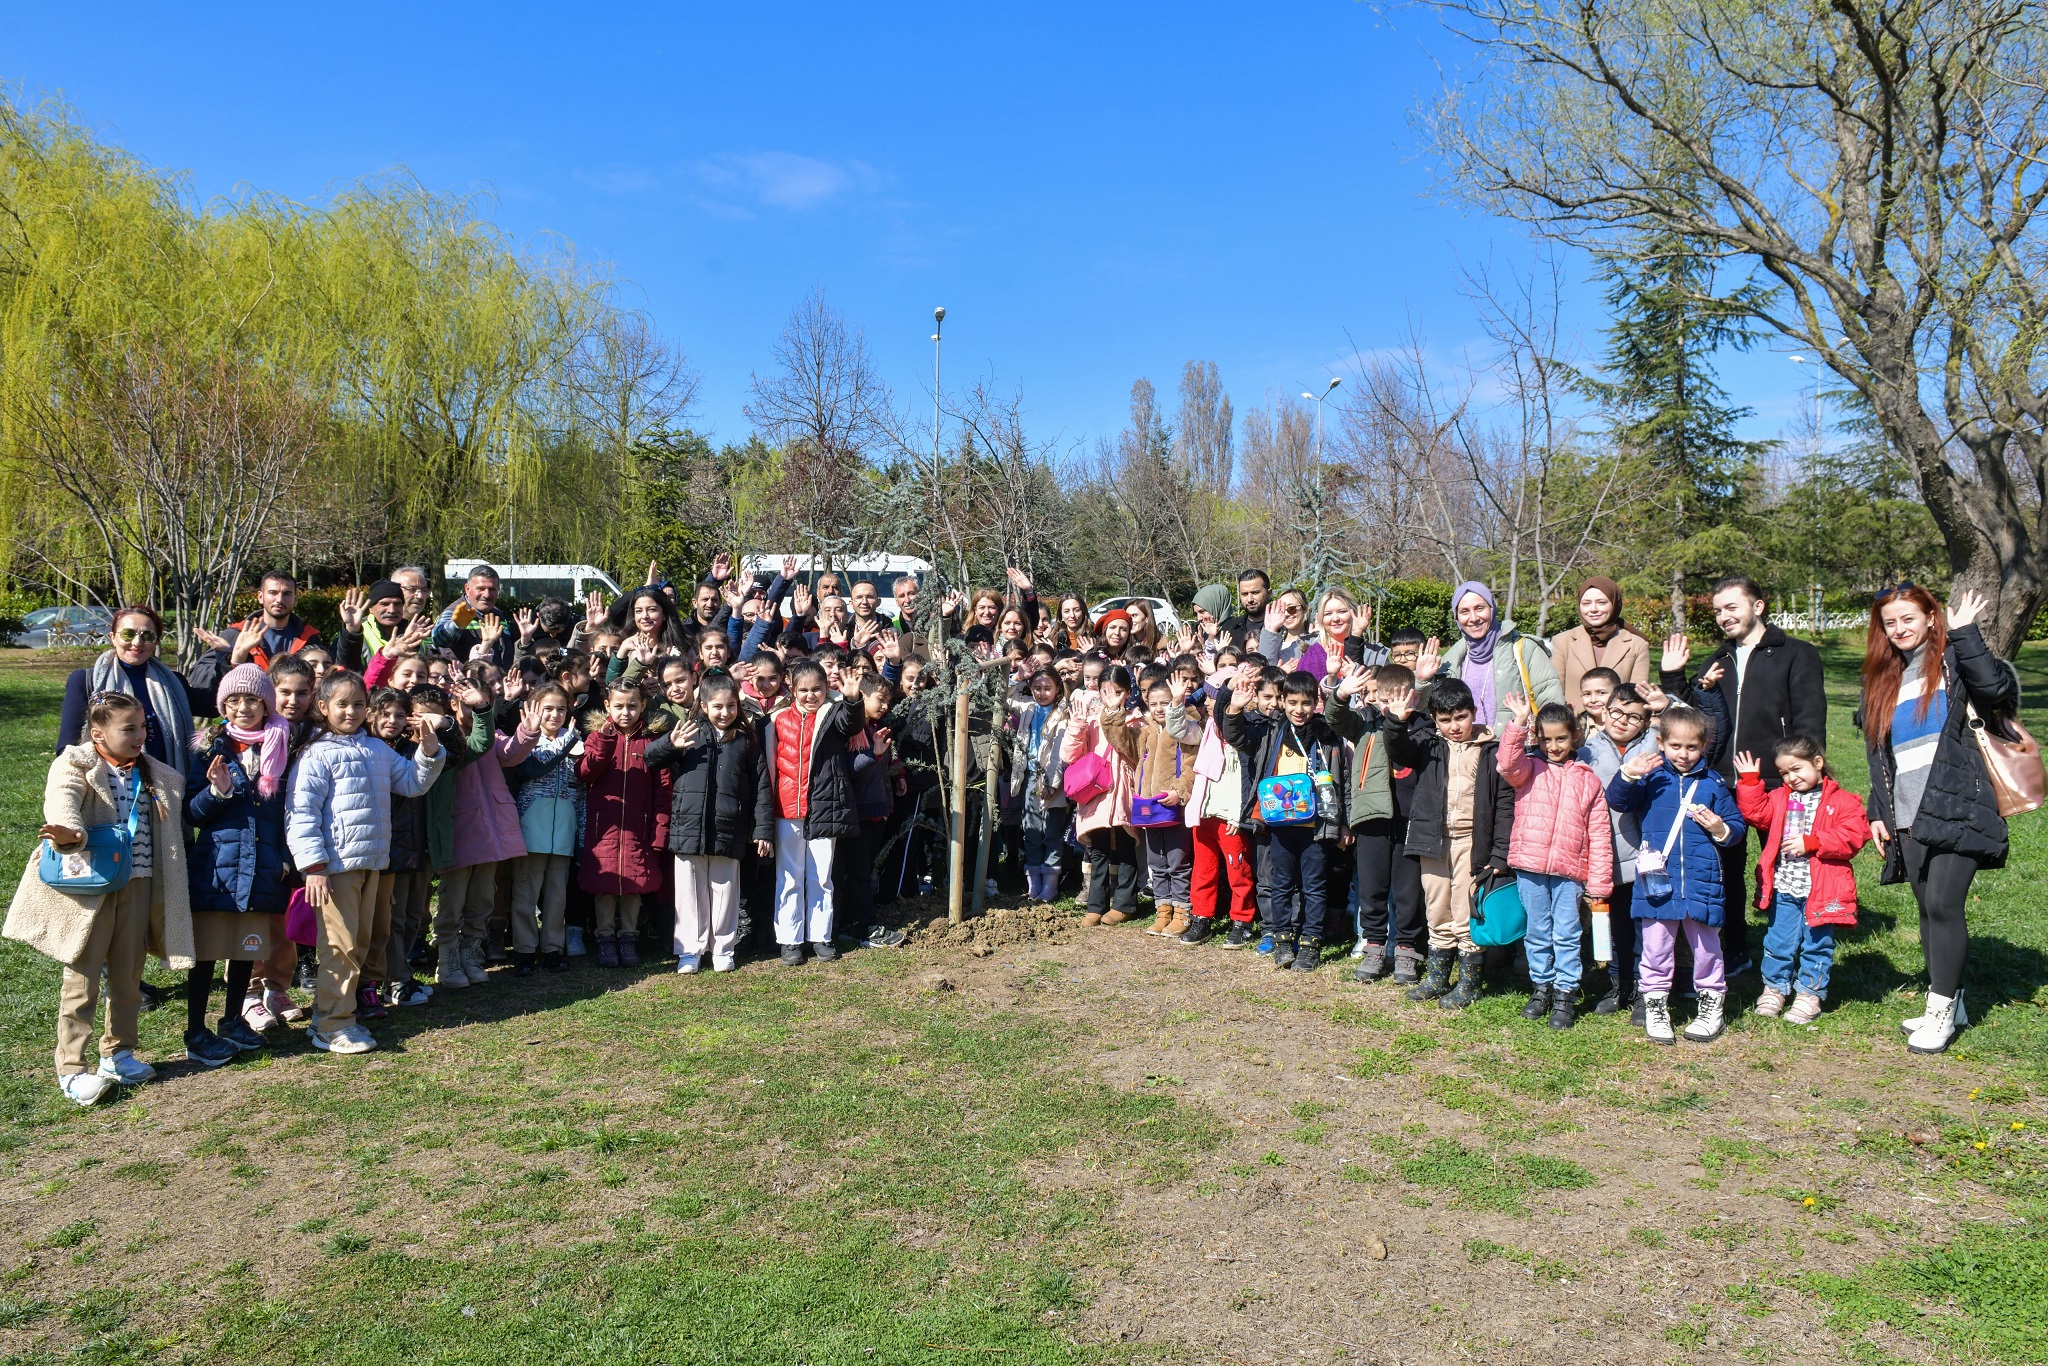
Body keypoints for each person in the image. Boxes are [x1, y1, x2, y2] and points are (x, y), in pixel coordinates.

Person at [7, 691, 195, 1105]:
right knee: (83, 975)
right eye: (128, 729)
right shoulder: (76, 763)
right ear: (98, 733)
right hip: (90, 885)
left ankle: (119, 1052)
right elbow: (64, 801)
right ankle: (72, 1068)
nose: (139, 736)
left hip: (139, 881)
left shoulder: (153, 773)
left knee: (128, 974)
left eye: (143, 727)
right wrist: (71, 833)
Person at [1861, 585, 2015, 1054]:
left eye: (1909, 618)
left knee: (1945, 905)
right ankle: (1953, 1000)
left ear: (1931, 617)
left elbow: (1995, 689)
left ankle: (1940, 1011)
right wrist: (1877, 812)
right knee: (1928, 909)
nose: (1900, 629)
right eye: (1891, 622)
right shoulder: (1886, 678)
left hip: (1959, 802)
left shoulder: (1952, 660)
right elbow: (1880, 755)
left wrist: (1966, 632)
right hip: (1907, 810)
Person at [1658, 576, 1826, 975]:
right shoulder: (1719, 658)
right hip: (1721, 783)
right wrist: (1672, 677)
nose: (1723, 616)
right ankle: (1734, 948)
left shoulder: (1797, 654)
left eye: (1732, 607)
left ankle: (1786, 949)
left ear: (1758, 606)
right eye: (1717, 610)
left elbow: (1810, 721)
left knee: (1786, 869)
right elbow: (1691, 715)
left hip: (1775, 782)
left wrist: (1802, 774)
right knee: (1724, 870)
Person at [284, 671, 445, 1054]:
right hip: (335, 868)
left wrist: (428, 750)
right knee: (338, 946)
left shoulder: (376, 749)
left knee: (359, 942)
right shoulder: (316, 754)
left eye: (358, 704)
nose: (352, 711)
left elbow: (412, 783)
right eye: (342, 704)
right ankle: (331, 1024)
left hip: (373, 861)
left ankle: (343, 1013)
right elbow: (300, 812)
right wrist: (314, 867)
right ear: (323, 707)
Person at [1606, 705, 1747, 1046]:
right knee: (1655, 948)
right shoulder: (1651, 778)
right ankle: (1655, 1007)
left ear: (1704, 746)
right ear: (1661, 743)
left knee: (1707, 948)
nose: (1683, 754)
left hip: (1702, 881)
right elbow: (1618, 800)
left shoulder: (1713, 784)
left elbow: (1738, 829)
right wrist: (1628, 773)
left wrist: (1720, 828)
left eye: (1692, 747)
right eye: (1676, 746)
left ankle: (1711, 1006)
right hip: (1657, 882)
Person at [181, 664, 294, 1067]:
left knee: (247, 947)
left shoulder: (279, 745)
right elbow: (193, 813)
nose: (243, 708)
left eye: (252, 700)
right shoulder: (209, 747)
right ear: (222, 706)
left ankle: (232, 1019)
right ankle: (195, 1030)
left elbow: (284, 810)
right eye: (234, 701)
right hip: (218, 866)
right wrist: (217, 792)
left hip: (262, 865)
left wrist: (284, 856)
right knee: (208, 951)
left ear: (266, 704)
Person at [1382, 677, 1515, 1009]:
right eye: (1445, 719)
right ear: (1435, 719)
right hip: (1434, 842)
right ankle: (1437, 978)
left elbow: (1504, 807)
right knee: (1437, 909)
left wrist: (1499, 853)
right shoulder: (1428, 745)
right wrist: (1395, 722)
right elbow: (1397, 748)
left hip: (1473, 845)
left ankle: (1469, 983)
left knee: (1465, 912)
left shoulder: (1492, 751)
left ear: (1474, 712)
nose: (1455, 726)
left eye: (1461, 717)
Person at [1218, 669, 1349, 973]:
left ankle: (1310, 945)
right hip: (1278, 825)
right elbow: (1236, 736)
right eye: (1292, 702)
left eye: (1305, 703)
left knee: (1314, 887)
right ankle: (1281, 943)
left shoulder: (1327, 738)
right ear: (1283, 701)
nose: (1298, 710)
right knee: (1281, 885)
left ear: (1316, 703)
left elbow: (1341, 780)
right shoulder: (1271, 732)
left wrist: (1344, 823)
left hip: (1316, 827)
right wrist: (1234, 708)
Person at [1496, 695, 1615, 1030]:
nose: (1553, 746)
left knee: (1566, 932)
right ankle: (1542, 987)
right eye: (1546, 739)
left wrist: (1599, 884)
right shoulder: (1529, 768)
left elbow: (1600, 835)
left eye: (1560, 738)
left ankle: (1565, 993)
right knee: (1536, 931)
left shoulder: (1588, 779)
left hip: (1570, 872)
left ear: (1574, 735)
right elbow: (1506, 763)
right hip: (1531, 866)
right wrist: (1519, 723)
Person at [1734, 737, 1870, 1025]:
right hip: (1785, 886)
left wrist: (1814, 842)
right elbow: (1756, 814)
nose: (1791, 777)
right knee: (1778, 941)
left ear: (1817, 763)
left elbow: (1854, 836)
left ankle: (1810, 993)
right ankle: (1774, 988)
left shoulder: (1843, 801)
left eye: (1797, 769)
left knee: (1817, 945)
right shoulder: (1780, 798)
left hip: (1822, 892)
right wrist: (1749, 781)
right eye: (1784, 773)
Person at [649, 672, 775, 973]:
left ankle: (722, 948)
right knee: (689, 891)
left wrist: (762, 829)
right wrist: (671, 744)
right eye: (718, 706)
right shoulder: (687, 734)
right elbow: (649, 758)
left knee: (725, 890)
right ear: (703, 706)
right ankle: (690, 951)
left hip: (729, 827)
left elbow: (761, 787)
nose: (725, 713)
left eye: (731, 706)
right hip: (688, 825)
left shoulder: (745, 741)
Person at [436, 672, 538, 983]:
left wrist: (527, 732)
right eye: (468, 705)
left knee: (482, 899)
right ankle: (448, 959)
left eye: (481, 705)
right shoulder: (448, 742)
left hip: (489, 834)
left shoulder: (493, 737)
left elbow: (512, 753)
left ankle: (471, 954)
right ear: (454, 706)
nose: (472, 712)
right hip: (460, 832)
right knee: (452, 901)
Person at [1327, 663, 1427, 984]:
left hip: (1407, 822)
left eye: (1399, 698)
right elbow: (1335, 718)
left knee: (1407, 890)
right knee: (1371, 888)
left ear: (1413, 697)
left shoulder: (1422, 729)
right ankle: (1373, 946)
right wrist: (1342, 692)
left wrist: (1399, 721)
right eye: (1385, 699)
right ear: (1374, 698)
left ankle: (1407, 950)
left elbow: (1406, 750)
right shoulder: (1365, 727)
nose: (1392, 706)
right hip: (1371, 819)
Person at [762, 660, 865, 964]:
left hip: (823, 808)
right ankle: (790, 940)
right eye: (803, 690)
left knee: (821, 876)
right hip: (786, 809)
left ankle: (821, 936)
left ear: (826, 688)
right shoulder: (777, 719)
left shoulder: (833, 715)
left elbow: (852, 724)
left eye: (817, 689)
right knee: (789, 876)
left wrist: (851, 699)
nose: (810, 695)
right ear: (791, 690)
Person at [578, 680, 673, 968]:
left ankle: (629, 938)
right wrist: (606, 743)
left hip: (639, 828)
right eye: (618, 706)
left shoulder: (652, 740)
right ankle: (606, 939)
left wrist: (660, 831)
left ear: (643, 705)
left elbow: (664, 788)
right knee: (604, 886)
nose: (625, 712)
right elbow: (585, 772)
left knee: (634, 886)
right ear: (607, 705)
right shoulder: (596, 737)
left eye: (632, 705)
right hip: (603, 828)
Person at [1578, 684, 1659, 1020]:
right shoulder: (1587, 752)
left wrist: (1668, 704)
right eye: (1616, 712)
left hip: (1646, 857)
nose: (1622, 721)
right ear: (1604, 711)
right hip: (1604, 856)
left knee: (1645, 928)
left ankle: (1644, 990)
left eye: (1634, 717)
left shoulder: (1658, 746)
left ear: (1646, 721)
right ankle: (1617, 984)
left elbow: (1704, 728)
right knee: (1611, 927)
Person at [1104, 673, 1201, 938]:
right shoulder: (1147, 732)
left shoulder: (1186, 727)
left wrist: (1179, 791)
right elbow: (1122, 742)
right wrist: (1114, 712)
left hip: (1174, 807)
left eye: (1166, 703)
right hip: (1149, 807)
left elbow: (1192, 765)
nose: (1160, 709)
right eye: (1155, 704)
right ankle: (1163, 910)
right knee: (1157, 862)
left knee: (1177, 862)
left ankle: (1182, 912)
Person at [58, 605, 195, 768]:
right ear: (113, 637)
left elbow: (219, 703)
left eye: (148, 636)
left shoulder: (174, 683)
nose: (137, 643)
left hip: (168, 786)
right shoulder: (85, 681)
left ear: (157, 641)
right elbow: (67, 748)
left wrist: (227, 656)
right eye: (128, 634)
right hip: (108, 785)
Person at [510, 684, 584, 974]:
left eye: (561, 709)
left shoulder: (577, 742)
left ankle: (553, 948)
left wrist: (581, 828)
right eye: (548, 708)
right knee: (526, 893)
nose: (555, 714)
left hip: (564, 826)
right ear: (534, 709)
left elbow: (581, 792)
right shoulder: (527, 739)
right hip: (531, 825)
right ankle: (525, 950)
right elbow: (532, 768)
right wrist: (567, 742)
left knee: (557, 894)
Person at [1420, 581, 1564, 729]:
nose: (1474, 617)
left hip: (1515, 749)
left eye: (1480, 608)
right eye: (1464, 611)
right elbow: (1426, 714)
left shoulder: (1525, 649)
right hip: (1466, 750)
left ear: (1492, 608)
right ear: (1457, 617)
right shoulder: (1451, 660)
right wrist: (1422, 681)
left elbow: (1552, 706)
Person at [1061, 665, 1142, 926]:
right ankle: (1096, 905)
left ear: (1128, 692)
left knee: (1126, 848)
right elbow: (1069, 756)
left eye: (1118, 691)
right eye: (1106, 691)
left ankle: (1125, 904)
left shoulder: (1137, 721)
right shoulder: (1089, 720)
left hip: (1124, 794)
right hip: (1096, 796)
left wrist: (1114, 715)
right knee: (1098, 851)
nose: (1111, 696)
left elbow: (1130, 751)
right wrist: (1076, 725)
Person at [187, 571, 323, 707]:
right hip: (250, 718)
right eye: (273, 593)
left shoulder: (309, 638)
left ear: (295, 599)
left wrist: (346, 630)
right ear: (260, 597)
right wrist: (226, 656)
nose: (279, 600)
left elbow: (330, 677)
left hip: (296, 718)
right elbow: (198, 679)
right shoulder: (236, 634)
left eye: (287, 594)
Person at [1010, 670, 1071, 904]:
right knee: (1031, 831)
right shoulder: (1027, 708)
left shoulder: (1062, 714)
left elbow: (1058, 753)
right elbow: (1005, 697)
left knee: (1052, 833)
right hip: (1029, 777)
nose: (1042, 693)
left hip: (1052, 779)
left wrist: (1052, 783)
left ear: (1057, 689)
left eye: (1047, 688)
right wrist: (1017, 678)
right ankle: (1033, 884)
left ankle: (1050, 885)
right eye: (1037, 688)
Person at [1548, 576, 1652, 702]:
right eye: (1586, 603)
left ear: (1615, 604)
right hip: (1573, 720)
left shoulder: (1637, 644)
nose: (1593, 609)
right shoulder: (1563, 641)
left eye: (1601, 602)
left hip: (1619, 719)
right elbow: (1555, 694)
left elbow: (1636, 697)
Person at [434, 564, 514, 670]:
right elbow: (438, 638)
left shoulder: (497, 613)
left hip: (496, 681)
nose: (487, 594)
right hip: (464, 683)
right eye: (480, 589)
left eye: (492, 589)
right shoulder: (456, 612)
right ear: (467, 588)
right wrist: (456, 626)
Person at [1297, 588, 1386, 680]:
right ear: (1321, 618)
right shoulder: (1312, 655)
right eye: (1328, 614)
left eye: (1342, 611)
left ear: (1353, 613)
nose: (1335, 619)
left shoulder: (1373, 654)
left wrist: (1356, 634)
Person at [1218, 569, 1272, 654]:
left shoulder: (1282, 627)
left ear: (1269, 593)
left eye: (1255, 592)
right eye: (1245, 594)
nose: (1250, 599)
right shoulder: (1230, 628)